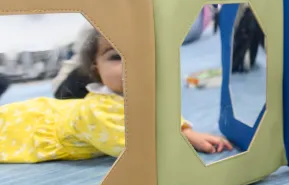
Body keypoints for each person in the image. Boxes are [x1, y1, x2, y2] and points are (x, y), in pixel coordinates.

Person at [0, 29, 232, 163]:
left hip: (53, 110)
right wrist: (183, 139)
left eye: (140, 54)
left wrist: (185, 130)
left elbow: (159, 113)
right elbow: (132, 147)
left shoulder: (140, 90)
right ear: (95, 68)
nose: (131, 64)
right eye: (115, 57)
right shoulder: (98, 112)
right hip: (24, 126)